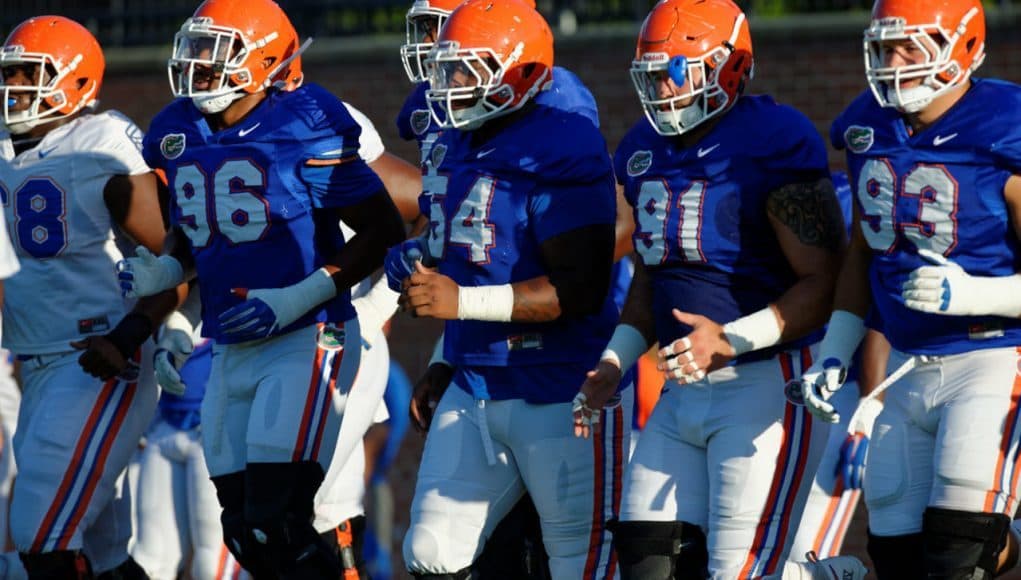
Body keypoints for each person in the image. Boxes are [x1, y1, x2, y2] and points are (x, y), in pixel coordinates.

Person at [577, 0, 867, 577]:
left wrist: (730, 338)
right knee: (642, 556)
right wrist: (615, 361)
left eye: (673, 72)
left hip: (765, 382)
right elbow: (652, 277)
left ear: (726, 67)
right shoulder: (642, 149)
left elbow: (824, 280)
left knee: (739, 570)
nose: (661, 88)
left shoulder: (771, 138)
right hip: (682, 389)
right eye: (651, 75)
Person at [118, 0, 406, 577]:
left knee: (280, 520)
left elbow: (383, 229)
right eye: (197, 47)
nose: (200, 62)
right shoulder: (180, 128)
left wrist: (299, 297)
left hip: (306, 337)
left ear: (268, 60)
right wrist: (171, 273)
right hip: (230, 344)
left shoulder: (303, 122)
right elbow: (200, 225)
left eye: (217, 49)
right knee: (243, 530)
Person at [389, 1, 626, 578]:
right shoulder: (454, 132)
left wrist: (460, 302)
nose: (446, 83)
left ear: (518, 71)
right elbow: (475, 251)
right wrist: (446, 349)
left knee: (577, 562)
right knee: (430, 554)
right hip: (475, 376)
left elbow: (580, 283)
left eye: (466, 68)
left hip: (558, 378)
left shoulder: (560, 129)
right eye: (447, 65)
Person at [801, 0, 1021, 576]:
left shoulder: (1002, 125)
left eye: (911, 47)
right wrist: (834, 350)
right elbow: (862, 252)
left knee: (959, 554)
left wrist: (976, 295)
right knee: (898, 557)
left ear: (964, 47)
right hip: (904, 365)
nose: (893, 62)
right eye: (885, 46)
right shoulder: (867, 127)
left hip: (992, 356)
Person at [0, 14, 170, 579]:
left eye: (30, 74)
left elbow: (177, 254)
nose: (16, 87)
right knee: (103, 556)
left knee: (40, 535)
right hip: (36, 362)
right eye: (11, 74)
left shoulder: (99, 141)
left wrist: (136, 333)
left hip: (95, 358)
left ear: (76, 83)